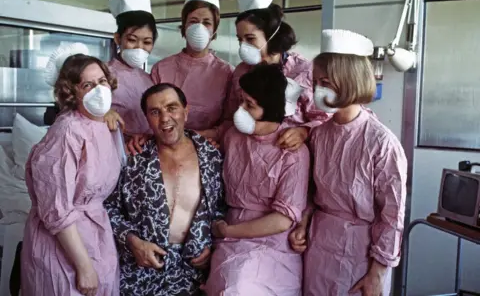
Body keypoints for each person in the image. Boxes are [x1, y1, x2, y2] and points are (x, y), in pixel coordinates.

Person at [288, 29, 408, 296]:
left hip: (361, 254)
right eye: (316, 82)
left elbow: (392, 216)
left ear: (348, 80)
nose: (318, 90)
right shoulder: (319, 135)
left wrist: (378, 272)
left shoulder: (381, 143)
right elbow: (311, 192)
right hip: (319, 246)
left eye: (326, 82)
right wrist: (304, 223)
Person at [105, 83, 226, 296]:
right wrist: (133, 242)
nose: (164, 118)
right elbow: (107, 208)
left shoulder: (212, 157)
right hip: (139, 272)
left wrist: (212, 246)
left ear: (186, 111)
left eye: (172, 108)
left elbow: (223, 209)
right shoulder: (133, 159)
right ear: (146, 119)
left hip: (192, 274)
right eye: (155, 112)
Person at [21, 43, 122, 296]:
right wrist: (84, 265)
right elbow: (56, 208)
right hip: (65, 244)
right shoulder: (66, 131)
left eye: (102, 81)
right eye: (87, 85)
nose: (99, 90)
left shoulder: (104, 124)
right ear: (71, 92)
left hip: (97, 234)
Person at [204, 64, 309, 296]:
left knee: (240, 288)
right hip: (229, 237)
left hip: (273, 243)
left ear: (270, 109)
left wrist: (228, 231)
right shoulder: (233, 136)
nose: (240, 110)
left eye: (249, 105)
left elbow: (282, 220)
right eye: (241, 102)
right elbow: (203, 137)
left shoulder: (293, 152)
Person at [218, 0, 329, 151]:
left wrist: (303, 131)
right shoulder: (241, 72)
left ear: (271, 36)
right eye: (240, 40)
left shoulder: (303, 71)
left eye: (250, 39)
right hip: (247, 154)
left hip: (290, 158)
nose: (243, 46)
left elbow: (324, 120)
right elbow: (231, 116)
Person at [150, 0, 233, 141]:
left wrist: (206, 136)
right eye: (193, 22)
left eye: (206, 23)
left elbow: (231, 119)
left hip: (210, 147)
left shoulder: (226, 72)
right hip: (165, 145)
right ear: (184, 26)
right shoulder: (161, 68)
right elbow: (150, 113)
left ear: (214, 31)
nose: (199, 28)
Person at [104, 0, 158, 136]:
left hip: (146, 149)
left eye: (147, 42)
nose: (139, 48)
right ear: (117, 38)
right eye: (132, 40)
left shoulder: (149, 79)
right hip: (114, 148)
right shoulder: (102, 74)